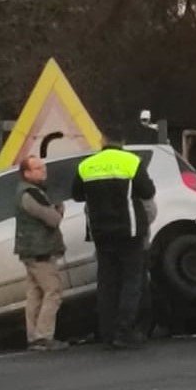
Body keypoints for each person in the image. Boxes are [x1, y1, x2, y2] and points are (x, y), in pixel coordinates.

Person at [72, 126, 156, 350]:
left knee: (107, 282)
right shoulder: (131, 161)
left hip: (101, 232)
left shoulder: (86, 165)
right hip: (129, 231)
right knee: (131, 280)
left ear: (102, 140)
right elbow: (148, 191)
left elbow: (77, 195)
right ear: (123, 141)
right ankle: (124, 330)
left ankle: (107, 331)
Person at [14, 155, 68, 351]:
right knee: (53, 291)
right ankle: (44, 337)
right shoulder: (32, 194)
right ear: (26, 173)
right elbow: (52, 219)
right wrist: (59, 210)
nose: (43, 171)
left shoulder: (25, 192)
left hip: (30, 251)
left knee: (35, 294)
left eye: (43, 167)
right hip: (40, 251)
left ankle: (34, 337)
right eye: (37, 168)